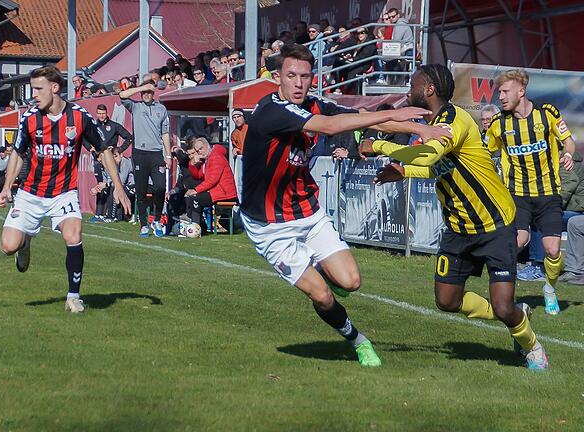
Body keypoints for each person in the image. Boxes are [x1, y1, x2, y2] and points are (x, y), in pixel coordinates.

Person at [240, 43, 441, 367]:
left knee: (351, 282)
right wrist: (393, 113)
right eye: (291, 75)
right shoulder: (271, 111)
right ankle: (357, 340)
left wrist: (418, 128)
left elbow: (358, 119)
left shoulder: (316, 104)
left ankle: (320, 266)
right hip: (268, 225)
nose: (298, 83)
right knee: (322, 295)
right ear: (278, 77)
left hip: (306, 212)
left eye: (305, 76)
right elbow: (332, 128)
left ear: (312, 78)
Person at [363, 64, 548, 370]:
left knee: (503, 307)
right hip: (458, 228)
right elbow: (440, 167)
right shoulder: (434, 122)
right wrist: (403, 172)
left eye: (413, 86)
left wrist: (379, 145)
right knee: (447, 301)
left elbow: (429, 156)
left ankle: (533, 347)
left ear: (429, 89)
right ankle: (521, 313)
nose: (409, 92)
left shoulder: (454, 120)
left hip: (494, 225)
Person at [0, 66, 130, 314]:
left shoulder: (79, 117)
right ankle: (24, 242)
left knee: (73, 235)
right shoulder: (30, 118)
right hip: (30, 193)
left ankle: (73, 296)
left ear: (54, 88)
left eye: (38, 89)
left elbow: (103, 150)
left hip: (64, 193)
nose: (33, 95)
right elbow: (17, 153)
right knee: (7, 246)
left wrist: (119, 188)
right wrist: (6, 187)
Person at [483, 69, 577, 315]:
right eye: (499, 92)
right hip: (517, 194)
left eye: (505, 91)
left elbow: (568, 140)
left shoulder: (547, 114)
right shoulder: (498, 124)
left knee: (553, 251)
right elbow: (485, 152)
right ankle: (504, 297)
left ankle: (549, 288)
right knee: (518, 241)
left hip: (548, 193)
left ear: (521, 91)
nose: (500, 97)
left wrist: (567, 153)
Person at [119, 80, 171, 237]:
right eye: (144, 92)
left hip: (156, 154)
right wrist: (143, 87)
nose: (147, 94)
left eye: (149, 91)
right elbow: (122, 95)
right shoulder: (136, 106)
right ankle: (143, 224)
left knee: (160, 187)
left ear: (154, 93)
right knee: (140, 191)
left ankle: (156, 220)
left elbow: (165, 133)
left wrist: (168, 155)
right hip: (140, 153)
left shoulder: (161, 109)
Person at [185, 136, 237, 233]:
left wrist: (195, 190)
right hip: (217, 191)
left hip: (225, 193)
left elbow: (212, 180)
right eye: (197, 150)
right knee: (191, 197)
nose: (200, 152)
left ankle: (197, 227)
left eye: (201, 148)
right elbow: (198, 175)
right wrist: (193, 164)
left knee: (195, 198)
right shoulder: (207, 159)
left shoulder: (216, 156)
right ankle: (200, 226)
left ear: (207, 146)